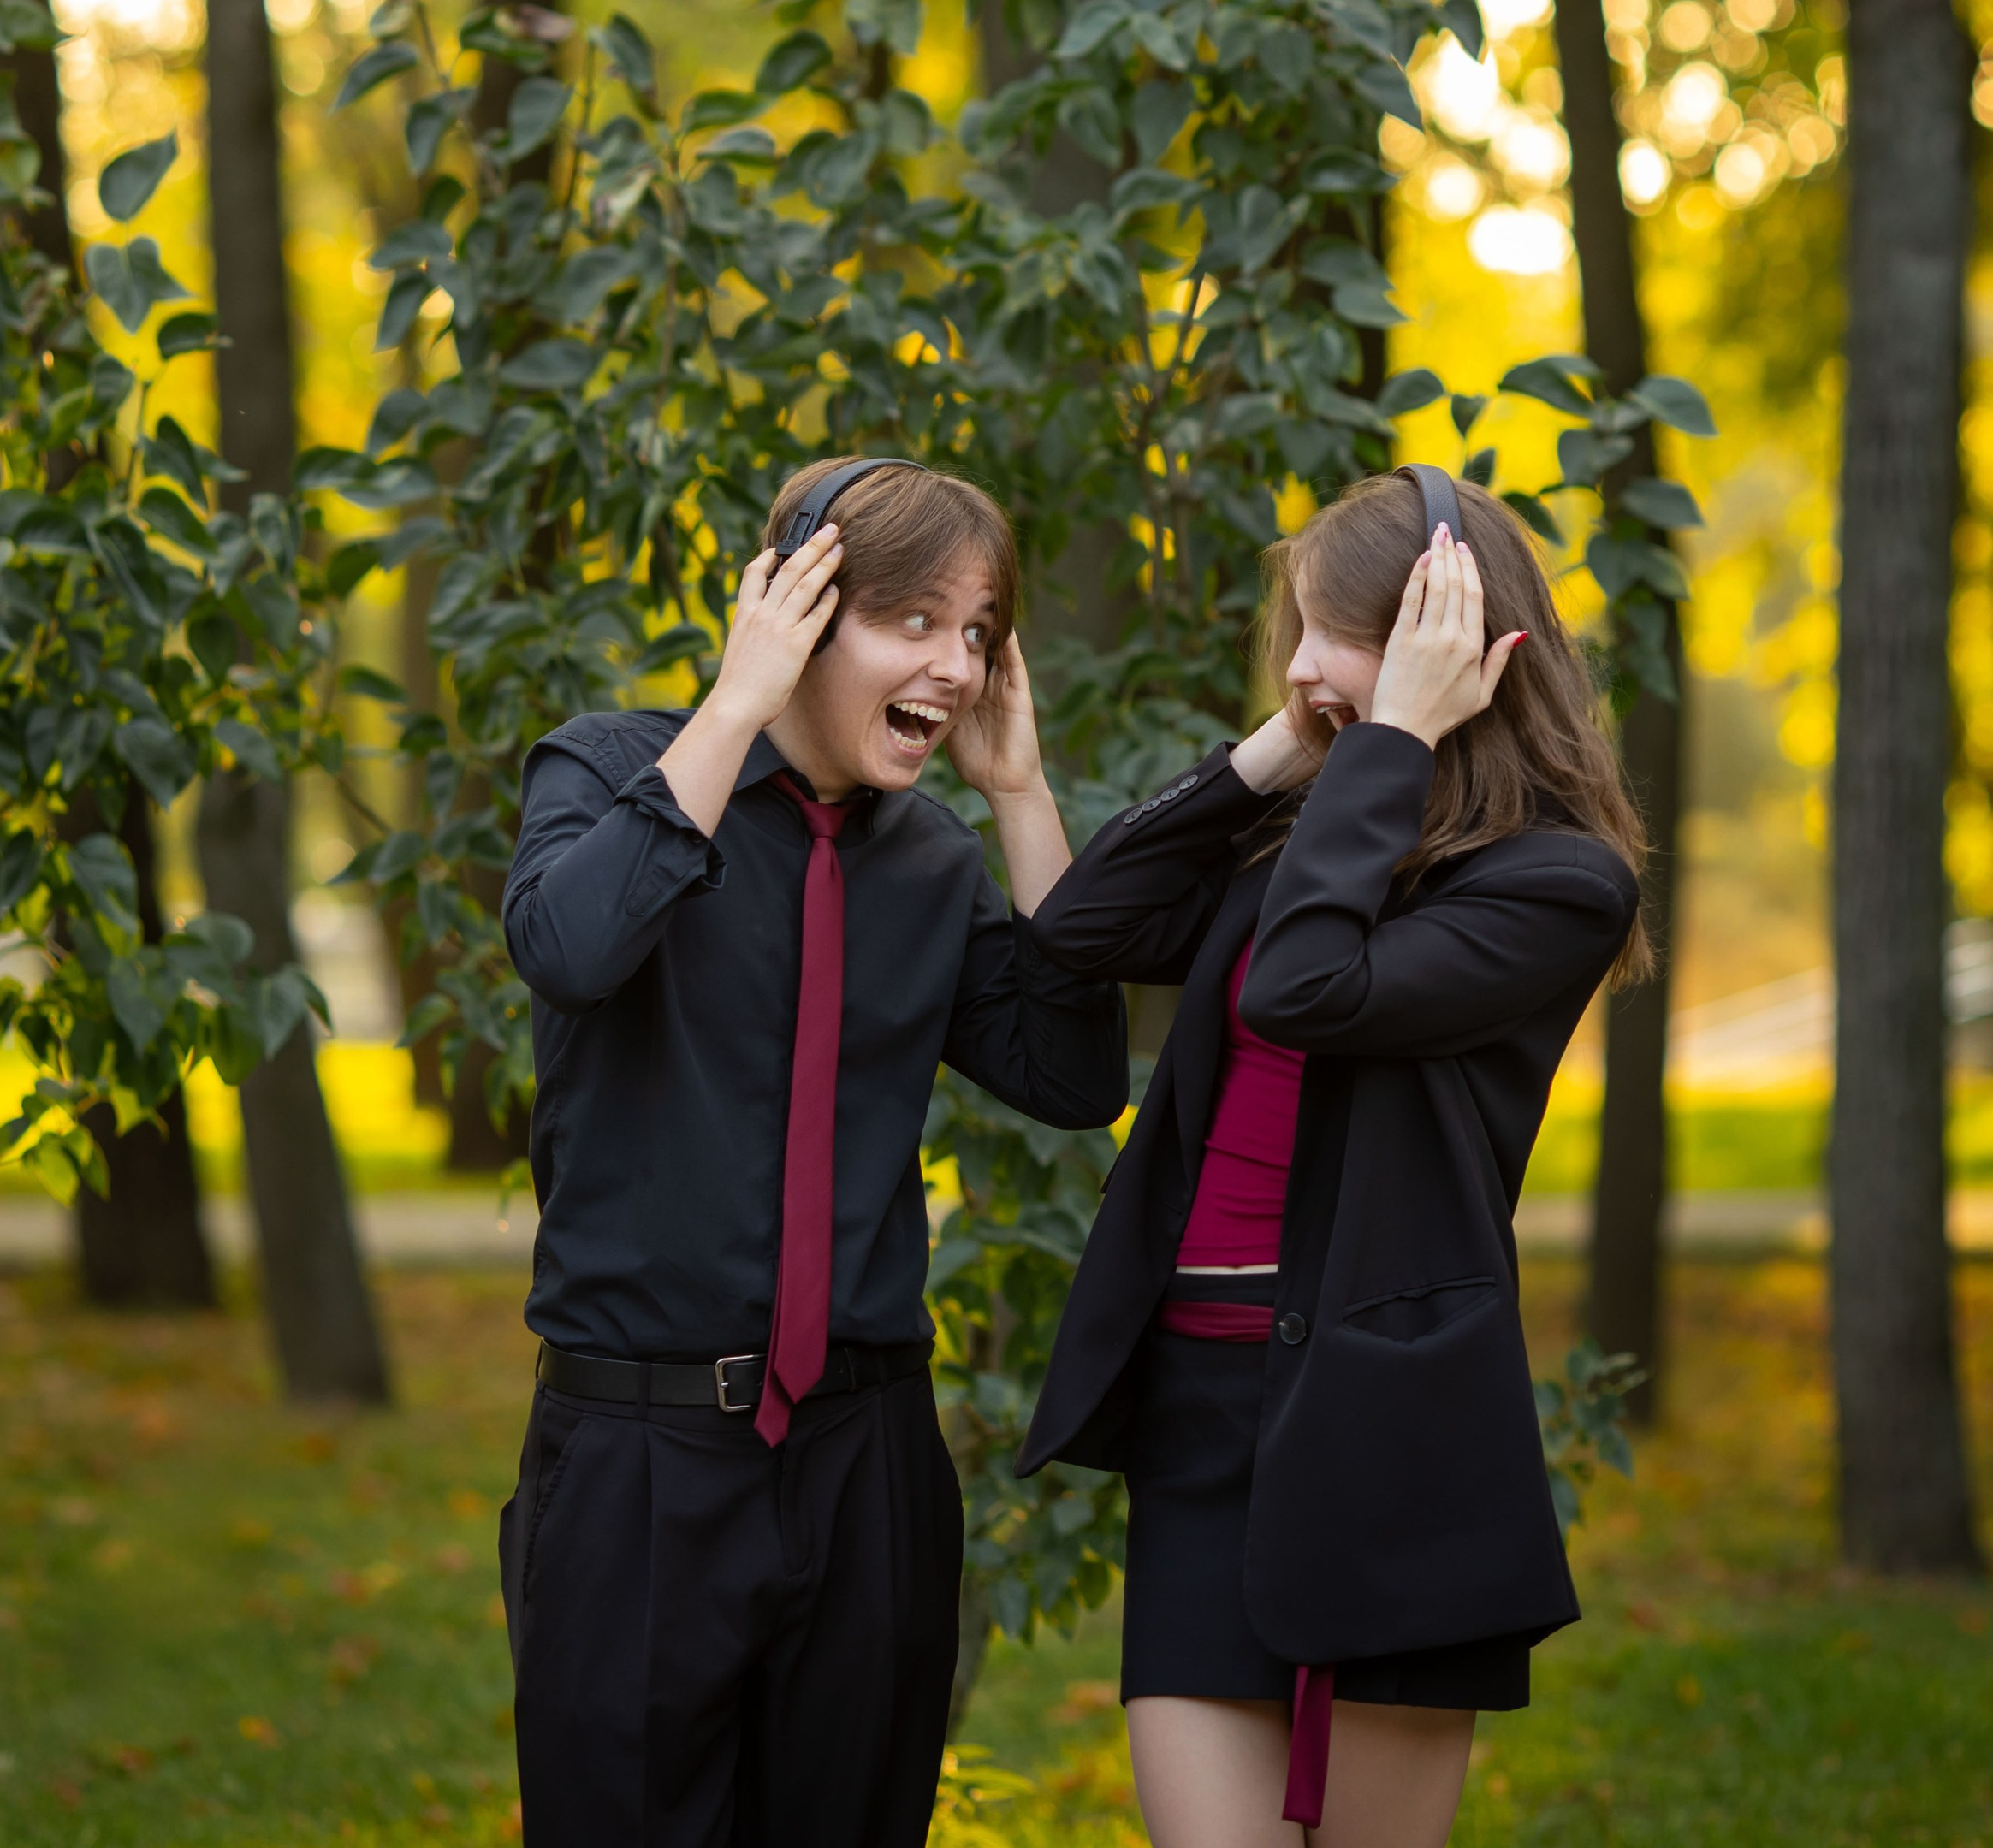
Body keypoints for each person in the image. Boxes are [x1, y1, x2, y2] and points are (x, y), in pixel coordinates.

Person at [496, 454, 1128, 1848]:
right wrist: (739, 700)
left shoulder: (934, 862)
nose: (956, 666)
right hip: (642, 1459)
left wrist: (1021, 796)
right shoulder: (611, 770)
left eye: (979, 631)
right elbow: (570, 945)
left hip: (869, 1463)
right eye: (916, 620)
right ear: (796, 606)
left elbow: (1077, 1075)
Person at [1018, 468, 1646, 1848]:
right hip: (1201, 1407)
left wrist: (1388, 749)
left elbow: (1311, 988)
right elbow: (1082, 926)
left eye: (1330, 634)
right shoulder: (1307, 839)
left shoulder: (1557, 882)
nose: (1299, 666)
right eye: (1293, 633)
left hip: (1397, 1433)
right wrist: (1274, 755)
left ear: (1451, 638)